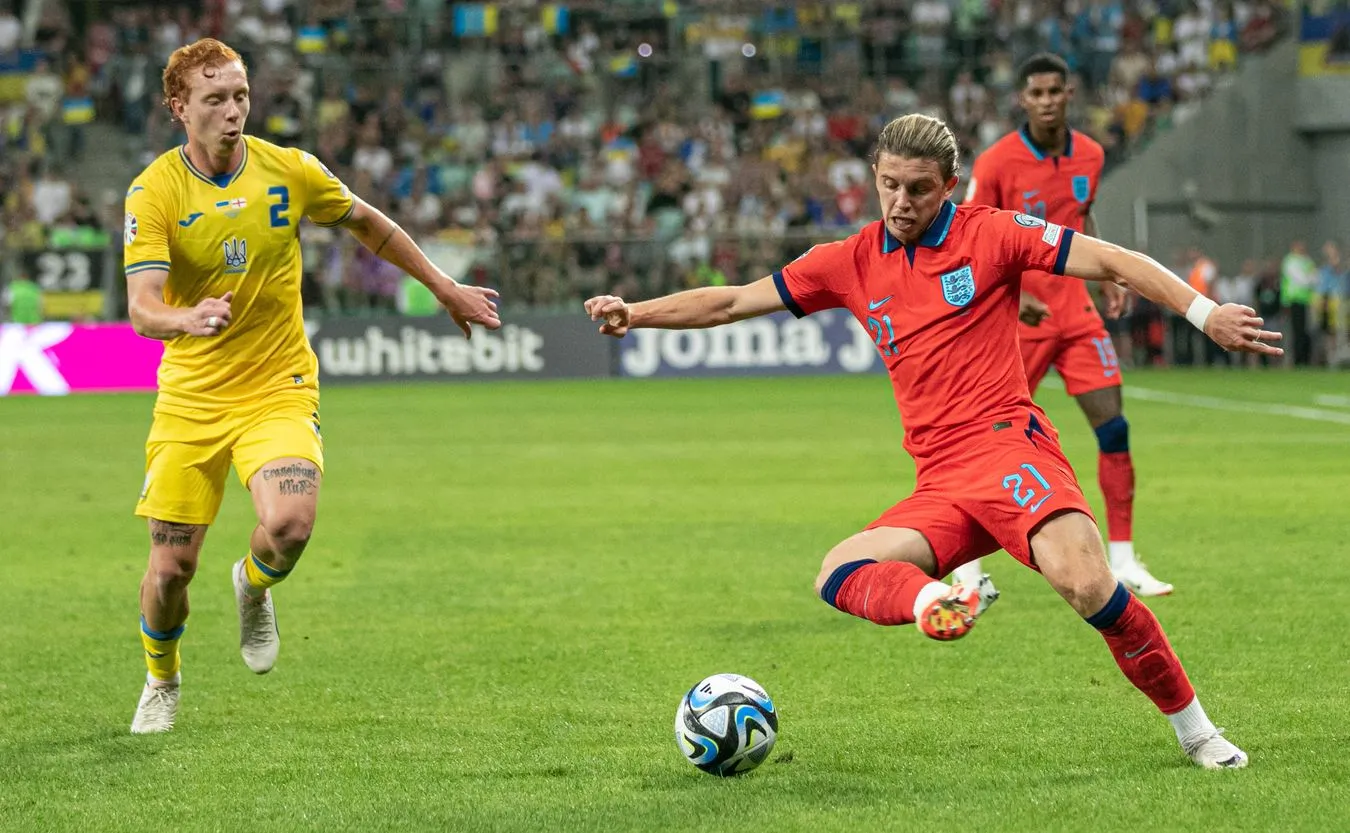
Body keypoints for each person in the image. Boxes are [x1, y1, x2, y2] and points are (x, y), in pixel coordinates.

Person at [585, 113, 1281, 769]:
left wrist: (1205, 312)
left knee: (1087, 584)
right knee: (838, 570)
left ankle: (1199, 734)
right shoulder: (848, 260)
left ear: (949, 185)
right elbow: (733, 299)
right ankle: (933, 602)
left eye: (918, 188)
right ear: (874, 177)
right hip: (941, 480)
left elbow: (1114, 261)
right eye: (889, 184)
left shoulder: (993, 234)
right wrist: (634, 313)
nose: (901, 201)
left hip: (1008, 448)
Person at [123, 39, 501, 734]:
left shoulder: (289, 170)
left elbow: (369, 224)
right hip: (192, 398)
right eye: (215, 99)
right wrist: (187, 317)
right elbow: (143, 307)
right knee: (171, 569)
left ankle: (252, 585)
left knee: (290, 524)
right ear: (179, 107)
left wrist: (444, 287)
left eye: (240, 95)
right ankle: (162, 678)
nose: (233, 111)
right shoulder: (155, 192)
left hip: (279, 384)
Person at [957, 53, 1170, 598]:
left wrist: (1104, 276)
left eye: (1055, 91)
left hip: (1075, 314)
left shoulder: (1091, 154)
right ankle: (968, 572)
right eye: (1037, 93)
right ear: (1022, 99)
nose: (1047, 101)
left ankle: (1123, 559)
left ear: (1069, 94)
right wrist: (1014, 294)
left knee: (1114, 429)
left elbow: (1081, 216)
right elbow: (968, 235)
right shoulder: (998, 162)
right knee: (982, 439)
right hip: (1016, 323)